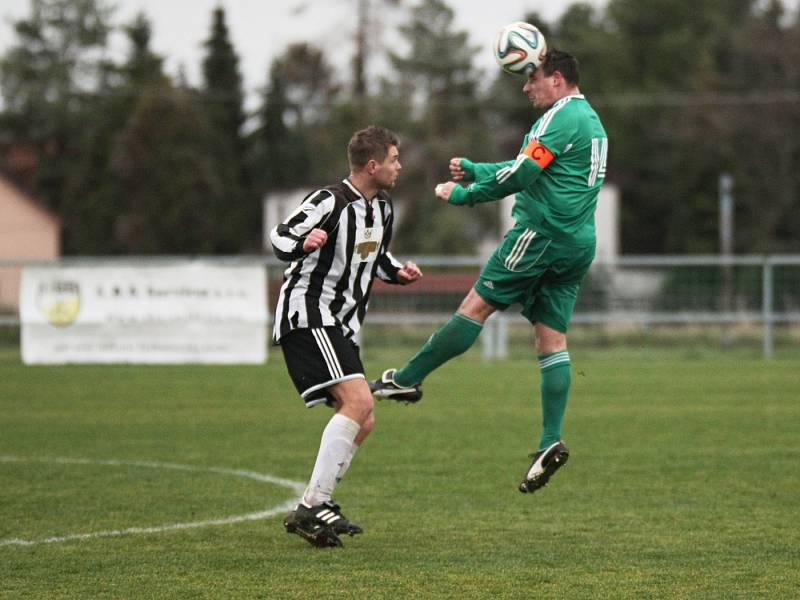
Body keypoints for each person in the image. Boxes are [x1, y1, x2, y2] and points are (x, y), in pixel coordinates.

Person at [371, 48, 608, 495]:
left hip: (540, 235)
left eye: (531, 78)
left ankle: (407, 379)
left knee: (475, 306)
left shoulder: (561, 118)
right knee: (551, 339)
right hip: (577, 243)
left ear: (556, 79)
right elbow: (531, 167)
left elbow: (521, 178)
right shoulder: (589, 121)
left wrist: (465, 194)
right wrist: (479, 169)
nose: (525, 87)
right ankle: (548, 440)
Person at [271, 126, 422, 547]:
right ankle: (312, 506)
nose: (399, 166)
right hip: (308, 311)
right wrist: (304, 241)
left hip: (341, 322)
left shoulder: (384, 208)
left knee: (365, 417)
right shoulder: (329, 201)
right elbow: (280, 236)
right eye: (394, 159)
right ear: (372, 165)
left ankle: (315, 503)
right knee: (360, 401)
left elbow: (373, 256)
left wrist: (399, 272)